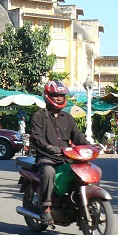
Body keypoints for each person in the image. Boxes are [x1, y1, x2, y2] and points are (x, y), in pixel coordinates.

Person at [30, 80, 89, 223]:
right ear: (48, 95)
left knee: (83, 171)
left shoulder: (68, 118)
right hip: (47, 158)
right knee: (49, 172)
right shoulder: (38, 116)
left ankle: (79, 202)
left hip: (66, 158)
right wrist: (49, 148)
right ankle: (46, 208)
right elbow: (36, 138)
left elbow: (78, 136)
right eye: (56, 95)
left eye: (62, 95)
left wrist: (90, 146)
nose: (59, 98)